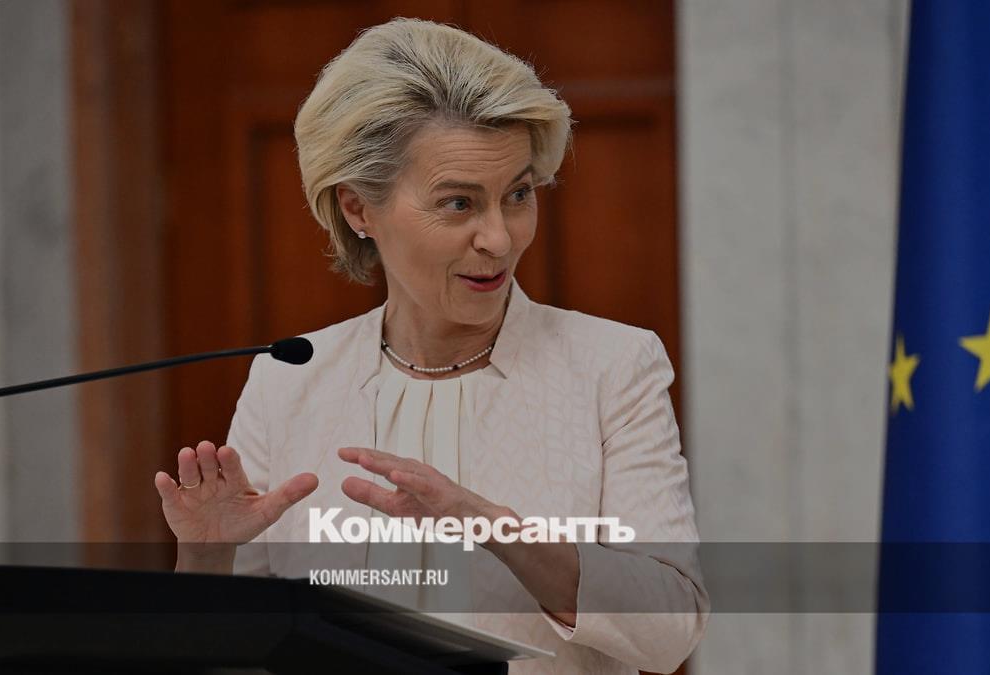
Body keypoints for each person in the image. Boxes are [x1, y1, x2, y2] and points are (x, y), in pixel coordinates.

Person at [152, 17, 707, 674]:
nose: (500, 238)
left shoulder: (612, 367)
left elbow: (673, 629)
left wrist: (491, 525)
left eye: (518, 194)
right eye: (458, 204)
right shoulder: (288, 379)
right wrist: (207, 559)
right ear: (358, 208)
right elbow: (236, 649)